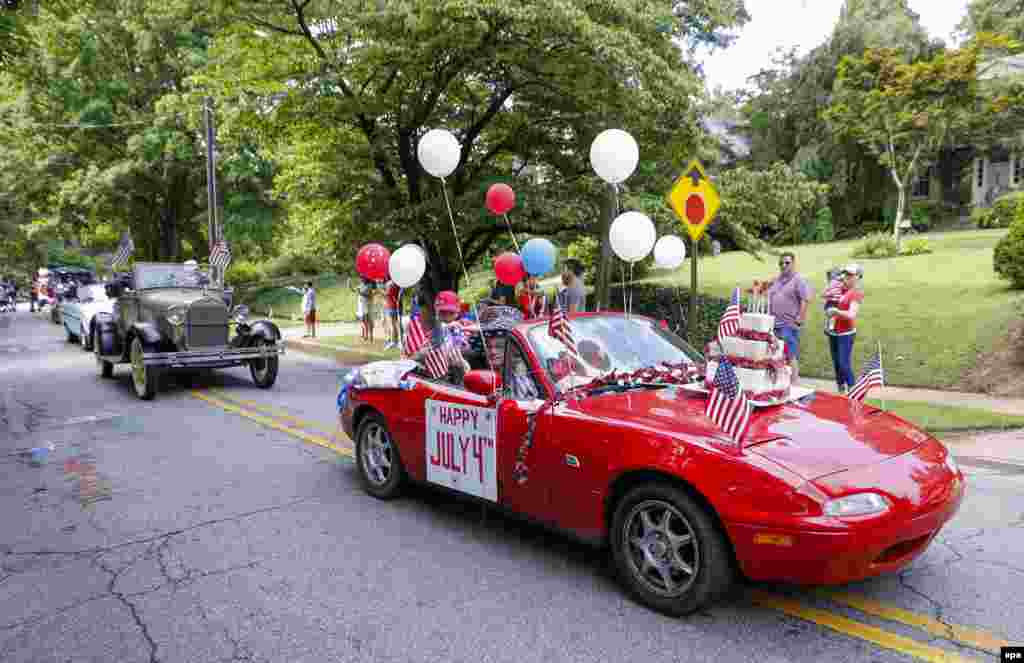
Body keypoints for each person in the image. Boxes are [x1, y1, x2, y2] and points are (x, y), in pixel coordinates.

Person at [761, 251, 814, 385]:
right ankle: (780, 382)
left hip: (788, 324)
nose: (783, 265)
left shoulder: (798, 280)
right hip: (773, 324)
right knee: (776, 354)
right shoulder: (777, 280)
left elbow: (805, 299)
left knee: (790, 354)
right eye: (781, 263)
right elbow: (766, 292)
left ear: (794, 263)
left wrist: (800, 317)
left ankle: (795, 383)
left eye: (787, 263)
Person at [410, 290, 471, 385]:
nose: (446, 316)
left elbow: (465, 346)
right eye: (442, 312)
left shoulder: (461, 325)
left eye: (451, 313)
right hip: (432, 377)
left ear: (457, 312)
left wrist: (460, 357)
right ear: (435, 311)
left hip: (458, 376)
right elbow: (414, 356)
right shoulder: (427, 328)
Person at [825, 264, 865, 394]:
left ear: (858, 277)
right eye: (845, 274)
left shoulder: (855, 293)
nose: (846, 277)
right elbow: (828, 302)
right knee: (836, 364)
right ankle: (841, 391)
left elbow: (851, 314)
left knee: (843, 364)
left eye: (850, 275)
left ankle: (853, 391)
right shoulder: (837, 289)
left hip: (846, 334)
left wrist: (836, 312)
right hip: (833, 332)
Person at [383, 280, 401, 349]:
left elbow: (387, 294)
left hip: (390, 306)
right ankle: (398, 341)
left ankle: (393, 341)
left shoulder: (390, 284)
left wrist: (381, 292)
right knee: (396, 324)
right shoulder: (398, 284)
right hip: (396, 306)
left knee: (392, 325)